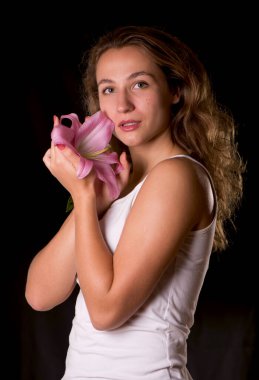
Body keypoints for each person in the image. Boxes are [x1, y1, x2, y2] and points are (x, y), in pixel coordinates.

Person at [25, 25, 245, 380]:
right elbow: (39, 294)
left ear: (175, 89)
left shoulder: (177, 176)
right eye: (108, 89)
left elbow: (107, 311)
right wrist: (94, 202)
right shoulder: (119, 185)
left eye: (140, 84)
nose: (122, 104)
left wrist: (82, 197)